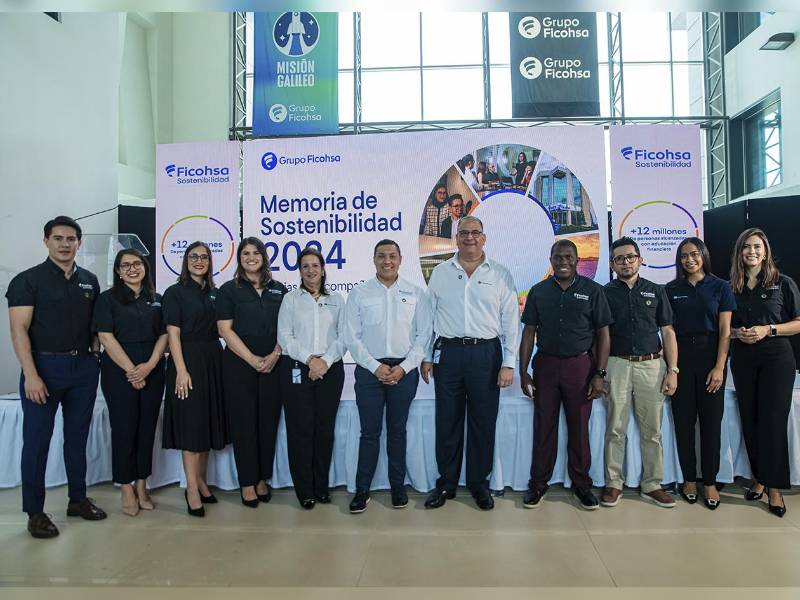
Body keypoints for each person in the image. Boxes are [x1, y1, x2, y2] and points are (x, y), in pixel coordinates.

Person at [6, 216, 107, 538]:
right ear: (46, 241)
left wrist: (95, 357)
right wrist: (31, 375)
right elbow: (18, 330)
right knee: (37, 442)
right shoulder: (27, 281)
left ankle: (77, 499)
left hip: (83, 371)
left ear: (80, 242)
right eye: (58, 238)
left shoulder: (90, 280)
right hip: (44, 370)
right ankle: (34, 511)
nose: (65, 244)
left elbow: (96, 328)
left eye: (71, 239)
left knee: (77, 438)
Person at [420, 215, 519, 511]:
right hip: (448, 354)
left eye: (475, 232)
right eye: (464, 233)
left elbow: (511, 321)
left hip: (486, 355)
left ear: (484, 237)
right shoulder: (440, 272)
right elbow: (428, 318)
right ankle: (446, 483)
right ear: (456, 237)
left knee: (482, 422)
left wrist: (509, 362)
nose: (469, 238)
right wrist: (426, 356)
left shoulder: (501, 274)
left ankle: (479, 483)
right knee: (447, 420)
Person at [518, 239, 612, 510]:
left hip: (580, 367)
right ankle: (538, 484)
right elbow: (528, 333)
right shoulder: (538, 291)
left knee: (579, 428)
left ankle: (582, 485)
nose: (563, 261)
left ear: (577, 259)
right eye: (558, 257)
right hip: (545, 366)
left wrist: (600, 373)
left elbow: (603, 335)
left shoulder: (593, 291)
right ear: (551, 259)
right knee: (543, 427)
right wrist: (524, 372)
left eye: (568, 257)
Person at [345, 240, 433, 513]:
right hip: (369, 373)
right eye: (381, 256)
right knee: (369, 433)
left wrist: (404, 368)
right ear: (373, 259)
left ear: (400, 259)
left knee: (397, 432)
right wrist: (374, 367)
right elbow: (351, 336)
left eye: (392, 256)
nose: (387, 261)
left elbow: (424, 335)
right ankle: (362, 491)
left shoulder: (416, 293)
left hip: (403, 373)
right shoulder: (359, 293)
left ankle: (397, 487)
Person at [600, 237, 678, 509]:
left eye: (630, 257)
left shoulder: (656, 291)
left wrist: (673, 370)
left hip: (652, 366)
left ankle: (652, 484)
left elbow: (667, 332)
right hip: (617, 365)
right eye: (619, 259)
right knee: (615, 428)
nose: (626, 262)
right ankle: (613, 483)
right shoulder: (605, 293)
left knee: (652, 430)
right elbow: (600, 335)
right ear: (612, 264)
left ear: (640, 259)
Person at [728, 228, 800, 518]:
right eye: (746, 247)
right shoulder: (731, 286)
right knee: (751, 418)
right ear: (739, 252)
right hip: (744, 357)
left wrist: (767, 330)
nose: (752, 252)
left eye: (757, 246)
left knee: (772, 421)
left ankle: (774, 487)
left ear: (766, 250)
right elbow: (724, 327)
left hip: (776, 357)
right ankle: (759, 477)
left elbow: (798, 323)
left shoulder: (782, 284)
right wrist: (737, 333)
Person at [93, 249, 168, 516]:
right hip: (118, 372)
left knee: (146, 428)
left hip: (153, 369)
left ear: (145, 267)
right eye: (126, 265)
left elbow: (164, 335)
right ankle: (125, 486)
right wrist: (131, 371)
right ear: (118, 271)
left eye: (137, 264)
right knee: (124, 429)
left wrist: (148, 367)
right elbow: (105, 336)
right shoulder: (107, 299)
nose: (132, 269)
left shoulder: (157, 299)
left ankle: (141, 484)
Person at [216, 237, 287, 509]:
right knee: (244, 425)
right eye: (245, 253)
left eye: (256, 253)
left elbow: (287, 327)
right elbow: (224, 330)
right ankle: (247, 482)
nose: (251, 257)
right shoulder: (228, 290)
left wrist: (274, 356)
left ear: (264, 257)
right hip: (238, 365)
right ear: (239, 258)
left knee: (267, 424)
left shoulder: (278, 289)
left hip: (273, 363)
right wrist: (252, 359)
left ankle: (262, 479)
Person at [666, 237, 734, 510]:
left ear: (703, 255)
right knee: (683, 422)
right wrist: (672, 368)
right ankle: (689, 480)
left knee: (710, 424)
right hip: (682, 357)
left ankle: (709, 481)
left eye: (694, 254)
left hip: (711, 357)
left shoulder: (720, 286)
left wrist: (719, 367)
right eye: (683, 256)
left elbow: (725, 332)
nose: (689, 259)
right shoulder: (671, 289)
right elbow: (668, 330)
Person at [277, 247, 346, 509]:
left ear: (323, 268)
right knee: (300, 431)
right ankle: (304, 490)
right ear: (300, 271)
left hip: (330, 370)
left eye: (315, 265)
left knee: (324, 430)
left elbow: (344, 336)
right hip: (298, 369)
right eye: (305, 266)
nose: (310, 270)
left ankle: (321, 487)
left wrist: (325, 362)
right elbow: (285, 337)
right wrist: (310, 360)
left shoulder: (337, 299)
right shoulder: (290, 300)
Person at [162, 242, 227, 518]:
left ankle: (201, 480)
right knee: (191, 425)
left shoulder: (215, 293)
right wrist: (181, 369)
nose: (199, 261)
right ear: (185, 261)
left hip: (213, 360)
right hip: (186, 360)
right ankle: (191, 488)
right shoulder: (174, 293)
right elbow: (172, 335)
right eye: (193, 257)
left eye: (203, 257)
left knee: (207, 423)